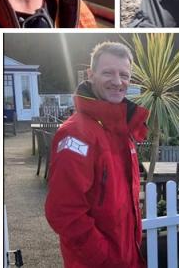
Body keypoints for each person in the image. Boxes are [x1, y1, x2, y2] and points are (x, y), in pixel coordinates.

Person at [44, 42, 150, 267]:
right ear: (91, 75)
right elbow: (63, 212)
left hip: (126, 256)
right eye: (108, 73)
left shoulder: (122, 129)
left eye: (124, 75)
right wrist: (106, 258)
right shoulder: (75, 134)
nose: (117, 81)